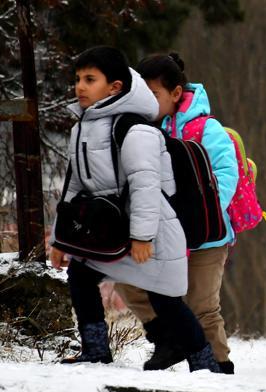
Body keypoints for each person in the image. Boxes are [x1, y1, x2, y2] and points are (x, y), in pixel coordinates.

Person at [49, 46, 219, 373]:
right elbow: (74, 186)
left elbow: (145, 186)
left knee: (166, 299)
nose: (79, 87)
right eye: (77, 79)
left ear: (114, 87)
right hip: (109, 230)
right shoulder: (81, 128)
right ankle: (95, 350)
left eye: (90, 79)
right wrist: (60, 239)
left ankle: (205, 364)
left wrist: (142, 237)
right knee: (81, 274)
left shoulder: (134, 129)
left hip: (153, 229)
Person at [112, 53, 239, 374]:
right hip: (158, 233)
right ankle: (170, 340)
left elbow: (226, 171)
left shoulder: (204, 128)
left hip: (205, 236)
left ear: (176, 93)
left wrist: (199, 213)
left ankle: (219, 366)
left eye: (153, 94)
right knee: (131, 284)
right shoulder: (137, 129)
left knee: (202, 305)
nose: (147, 102)